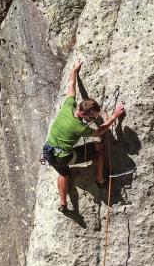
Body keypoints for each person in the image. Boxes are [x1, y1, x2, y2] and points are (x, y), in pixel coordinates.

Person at [41, 58, 124, 213]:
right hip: (63, 156)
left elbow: (71, 86)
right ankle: (100, 180)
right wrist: (114, 116)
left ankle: (63, 204)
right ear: (84, 114)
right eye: (91, 118)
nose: (93, 120)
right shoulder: (78, 127)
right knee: (98, 148)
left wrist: (74, 70)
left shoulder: (68, 106)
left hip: (48, 152)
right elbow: (99, 131)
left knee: (63, 172)